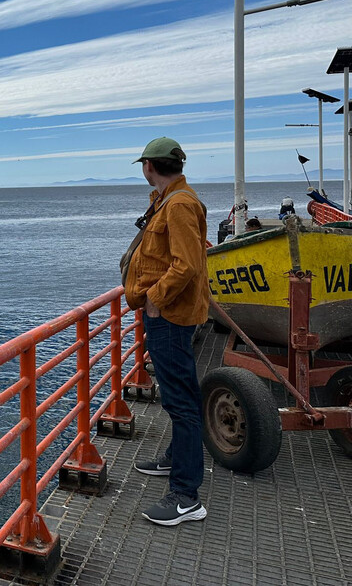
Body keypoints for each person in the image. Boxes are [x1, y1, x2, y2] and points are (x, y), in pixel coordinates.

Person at [123, 137, 209, 526]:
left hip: (169, 317)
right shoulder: (167, 201)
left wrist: (155, 298)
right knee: (179, 398)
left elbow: (186, 264)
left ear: (149, 167)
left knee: (182, 403)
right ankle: (175, 459)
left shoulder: (179, 205)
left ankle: (186, 496)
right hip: (166, 315)